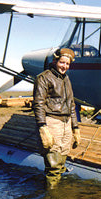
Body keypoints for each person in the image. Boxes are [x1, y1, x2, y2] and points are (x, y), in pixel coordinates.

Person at [33, 48, 81, 189]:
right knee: (53, 164)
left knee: (61, 162)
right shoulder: (43, 77)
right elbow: (38, 104)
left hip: (66, 123)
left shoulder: (66, 79)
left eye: (67, 64)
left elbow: (71, 105)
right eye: (62, 62)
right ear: (55, 61)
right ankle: (52, 195)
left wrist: (75, 127)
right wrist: (42, 127)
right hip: (52, 121)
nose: (64, 66)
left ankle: (55, 189)